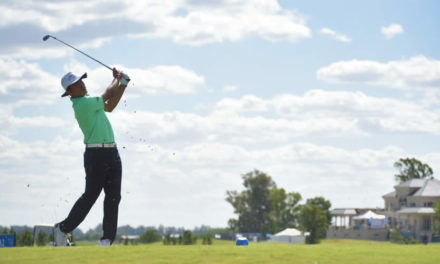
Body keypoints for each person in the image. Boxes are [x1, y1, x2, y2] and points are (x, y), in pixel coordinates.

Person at [54, 68, 129, 246]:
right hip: (96, 154)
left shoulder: (90, 101)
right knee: (91, 195)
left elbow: (109, 106)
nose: (82, 84)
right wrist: (117, 79)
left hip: (112, 152)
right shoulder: (82, 104)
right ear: (69, 92)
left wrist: (123, 84)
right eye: (77, 85)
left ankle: (107, 239)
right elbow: (109, 93)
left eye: (82, 81)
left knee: (113, 197)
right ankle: (63, 228)